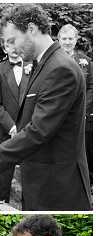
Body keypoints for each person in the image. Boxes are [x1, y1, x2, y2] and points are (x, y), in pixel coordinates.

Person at [0, 4, 91, 211]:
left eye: (13, 40)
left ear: (31, 29)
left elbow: (38, 131)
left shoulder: (60, 69)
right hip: (43, 183)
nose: (11, 48)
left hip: (59, 189)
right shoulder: (44, 64)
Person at [0, 37, 30, 202]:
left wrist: (27, 127)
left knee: (30, 178)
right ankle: (2, 205)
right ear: (4, 49)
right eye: (9, 45)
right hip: (7, 132)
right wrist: (12, 127)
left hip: (29, 132)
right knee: (4, 179)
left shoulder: (33, 68)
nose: (13, 48)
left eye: (16, 44)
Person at [58, 24, 93, 182]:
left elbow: (92, 86)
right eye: (64, 38)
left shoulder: (85, 61)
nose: (67, 42)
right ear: (58, 40)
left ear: (76, 40)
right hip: (58, 115)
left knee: (82, 149)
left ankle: (85, 182)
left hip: (81, 115)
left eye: (70, 38)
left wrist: (83, 108)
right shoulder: (52, 60)